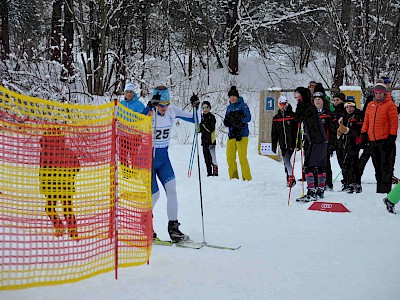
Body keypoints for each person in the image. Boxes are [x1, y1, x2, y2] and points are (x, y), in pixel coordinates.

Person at [142, 86, 200, 242]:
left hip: (163, 158)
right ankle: (145, 224)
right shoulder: (150, 113)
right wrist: (148, 108)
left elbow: (196, 120)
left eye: (166, 103)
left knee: (172, 190)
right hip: (147, 159)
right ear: (155, 103)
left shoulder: (172, 111)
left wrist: (197, 107)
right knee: (155, 195)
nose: (164, 107)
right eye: (161, 104)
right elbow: (134, 122)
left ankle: (173, 229)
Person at [39, 128, 81, 239]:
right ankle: (73, 233)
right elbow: (77, 167)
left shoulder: (45, 154)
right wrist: (69, 176)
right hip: (66, 187)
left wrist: (45, 186)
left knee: (49, 208)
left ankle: (59, 226)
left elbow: (43, 171)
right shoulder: (69, 152)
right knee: (68, 209)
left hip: (52, 188)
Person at [361, 82, 398, 194]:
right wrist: (364, 133)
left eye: (380, 93)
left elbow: (394, 121)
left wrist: (392, 136)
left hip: (385, 140)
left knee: (386, 167)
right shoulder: (370, 105)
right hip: (373, 140)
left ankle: (386, 190)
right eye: (376, 93)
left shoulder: (390, 105)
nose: (378, 95)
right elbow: (367, 120)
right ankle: (379, 190)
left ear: (384, 93)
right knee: (377, 167)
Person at [294, 88, 328, 201]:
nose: (297, 99)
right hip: (320, 139)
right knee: (319, 165)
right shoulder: (310, 107)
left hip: (316, 140)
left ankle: (312, 191)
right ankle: (320, 190)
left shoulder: (307, 107)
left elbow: (297, 119)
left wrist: (299, 106)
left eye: (298, 97)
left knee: (309, 165)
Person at [223, 86, 252, 181]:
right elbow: (226, 119)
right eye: (230, 96)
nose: (232, 98)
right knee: (230, 157)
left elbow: (248, 118)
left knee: (242, 157)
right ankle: (233, 178)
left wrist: (239, 120)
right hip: (231, 134)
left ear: (237, 96)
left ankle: (247, 178)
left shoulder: (243, 105)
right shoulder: (229, 107)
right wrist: (227, 122)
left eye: (234, 96)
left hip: (242, 134)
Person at [118, 82, 145, 179]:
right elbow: (117, 118)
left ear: (134, 93)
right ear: (124, 93)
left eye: (131, 92)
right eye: (127, 92)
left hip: (135, 135)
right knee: (122, 155)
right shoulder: (121, 105)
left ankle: (135, 172)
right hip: (123, 135)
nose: (129, 94)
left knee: (134, 155)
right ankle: (126, 173)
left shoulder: (139, 105)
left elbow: (143, 118)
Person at [336, 99, 363, 193]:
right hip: (344, 144)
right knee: (344, 163)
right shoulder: (344, 116)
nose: (349, 108)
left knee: (352, 164)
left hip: (354, 144)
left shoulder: (358, 116)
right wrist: (339, 133)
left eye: (351, 106)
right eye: (347, 107)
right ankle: (348, 183)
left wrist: (347, 130)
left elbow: (359, 131)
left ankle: (354, 183)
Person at [271, 95, 298, 187]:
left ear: (286, 104)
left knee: (286, 159)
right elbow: (274, 133)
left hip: (291, 143)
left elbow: (296, 130)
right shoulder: (276, 118)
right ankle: (289, 179)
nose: (282, 105)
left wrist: (297, 143)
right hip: (282, 143)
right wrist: (274, 145)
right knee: (285, 162)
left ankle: (291, 177)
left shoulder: (292, 116)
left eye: (283, 104)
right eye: (280, 104)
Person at [312, 91, 336, 191]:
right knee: (314, 165)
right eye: (315, 100)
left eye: (319, 99)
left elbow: (333, 130)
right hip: (314, 144)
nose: (317, 102)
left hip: (325, 143)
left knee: (326, 164)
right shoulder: (311, 113)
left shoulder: (328, 114)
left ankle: (328, 184)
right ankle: (316, 184)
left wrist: (331, 145)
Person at [200, 100, 218, 176]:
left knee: (212, 158)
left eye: (206, 107)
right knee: (206, 158)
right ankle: (209, 173)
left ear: (209, 108)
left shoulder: (212, 117)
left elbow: (211, 129)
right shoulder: (201, 117)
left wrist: (203, 123)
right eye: (203, 107)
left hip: (211, 141)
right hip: (204, 141)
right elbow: (199, 130)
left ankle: (215, 173)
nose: (205, 109)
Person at [332, 92, 346, 171]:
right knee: (339, 158)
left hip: (344, 138)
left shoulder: (345, 111)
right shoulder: (333, 112)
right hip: (336, 138)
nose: (336, 102)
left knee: (345, 158)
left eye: (337, 100)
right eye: (334, 100)